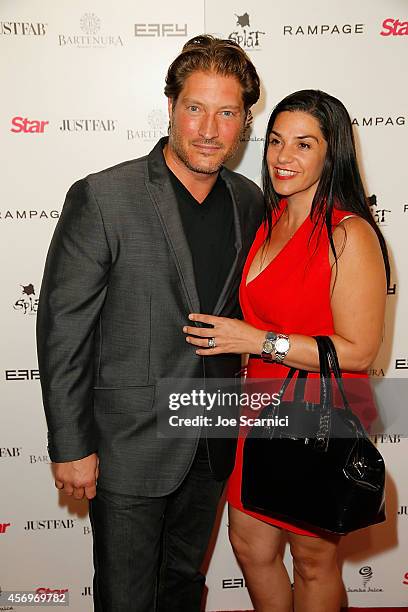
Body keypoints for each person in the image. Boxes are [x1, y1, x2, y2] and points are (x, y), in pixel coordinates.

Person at [36, 35, 263, 612]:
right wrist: (70, 445)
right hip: (130, 445)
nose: (209, 129)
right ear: (170, 107)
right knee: (127, 598)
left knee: (184, 588)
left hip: (213, 441)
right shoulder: (104, 196)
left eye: (227, 112)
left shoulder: (249, 199)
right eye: (195, 108)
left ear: (244, 119)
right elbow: (65, 330)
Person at [183, 89, 389, 612]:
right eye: (275, 141)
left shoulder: (349, 234)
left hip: (319, 415)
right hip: (255, 410)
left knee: (314, 560)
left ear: (331, 151)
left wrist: (257, 341)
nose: (283, 157)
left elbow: (360, 351)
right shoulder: (265, 220)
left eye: (303, 144)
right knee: (251, 546)